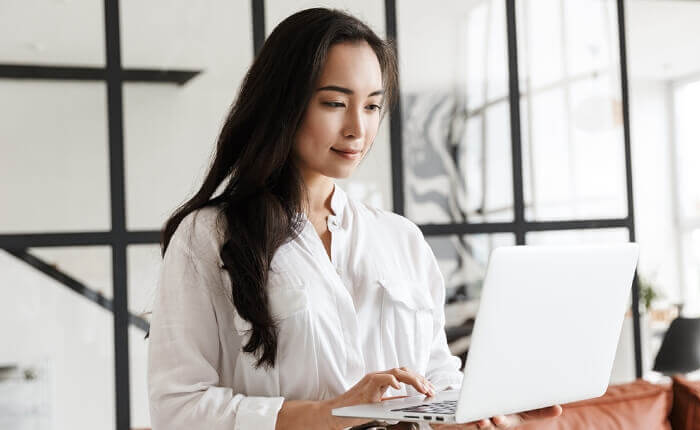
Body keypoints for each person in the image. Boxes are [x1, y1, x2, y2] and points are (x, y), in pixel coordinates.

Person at [146, 7, 562, 430]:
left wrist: (482, 413)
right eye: (335, 103)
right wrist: (333, 413)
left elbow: (437, 378)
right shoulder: (207, 236)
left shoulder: (401, 238)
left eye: (372, 107)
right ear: (283, 103)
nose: (357, 129)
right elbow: (178, 407)